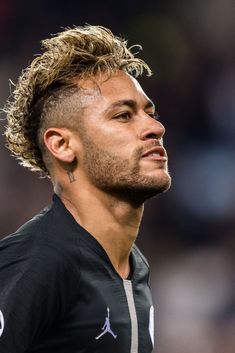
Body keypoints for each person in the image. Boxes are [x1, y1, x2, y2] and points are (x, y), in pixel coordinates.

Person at [0, 25, 171, 353]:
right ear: (63, 145)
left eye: (150, 114)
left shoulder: (136, 268)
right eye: (123, 116)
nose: (155, 127)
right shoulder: (37, 262)